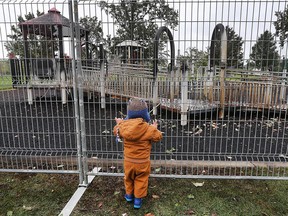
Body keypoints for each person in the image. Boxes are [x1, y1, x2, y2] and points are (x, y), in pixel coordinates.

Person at [113, 98, 163, 209]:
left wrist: (119, 123)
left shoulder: (123, 126)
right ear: (145, 114)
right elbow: (158, 136)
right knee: (141, 180)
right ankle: (137, 201)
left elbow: (116, 131)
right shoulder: (148, 128)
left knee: (129, 178)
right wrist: (154, 128)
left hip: (128, 161)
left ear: (129, 114)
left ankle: (129, 196)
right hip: (142, 162)